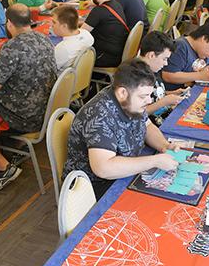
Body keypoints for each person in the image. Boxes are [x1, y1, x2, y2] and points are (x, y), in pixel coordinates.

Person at [63, 58, 179, 198]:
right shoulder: (99, 115)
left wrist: (164, 145)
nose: (149, 101)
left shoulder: (130, 100)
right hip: (95, 186)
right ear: (122, 93)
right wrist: (154, 161)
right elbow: (103, 168)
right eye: (144, 96)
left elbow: (147, 125)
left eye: (149, 95)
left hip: (124, 170)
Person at [0, 4, 57, 191]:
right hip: (46, 110)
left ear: (9, 23)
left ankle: (3, 166)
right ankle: (15, 148)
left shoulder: (12, 47)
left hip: (21, 116)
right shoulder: (44, 38)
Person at [162, 22, 209, 90]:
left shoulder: (207, 52)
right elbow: (168, 76)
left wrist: (208, 70)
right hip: (176, 92)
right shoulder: (181, 47)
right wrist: (200, 75)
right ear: (204, 38)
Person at [138, 31, 185, 126]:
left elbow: (155, 93)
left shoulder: (153, 69)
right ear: (151, 55)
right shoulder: (136, 78)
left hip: (165, 116)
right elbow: (137, 115)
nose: (166, 63)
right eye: (164, 59)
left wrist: (172, 93)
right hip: (153, 125)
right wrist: (163, 102)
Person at [83, 0, 129, 68]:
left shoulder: (98, 10)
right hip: (118, 51)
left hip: (106, 56)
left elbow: (82, 33)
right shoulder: (116, 4)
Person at [52, 5, 94, 71]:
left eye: (54, 22)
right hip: (82, 73)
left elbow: (50, 69)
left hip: (64, 76)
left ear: (64, 26)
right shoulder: (87, 34)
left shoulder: (62, 48)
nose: (52, 25)